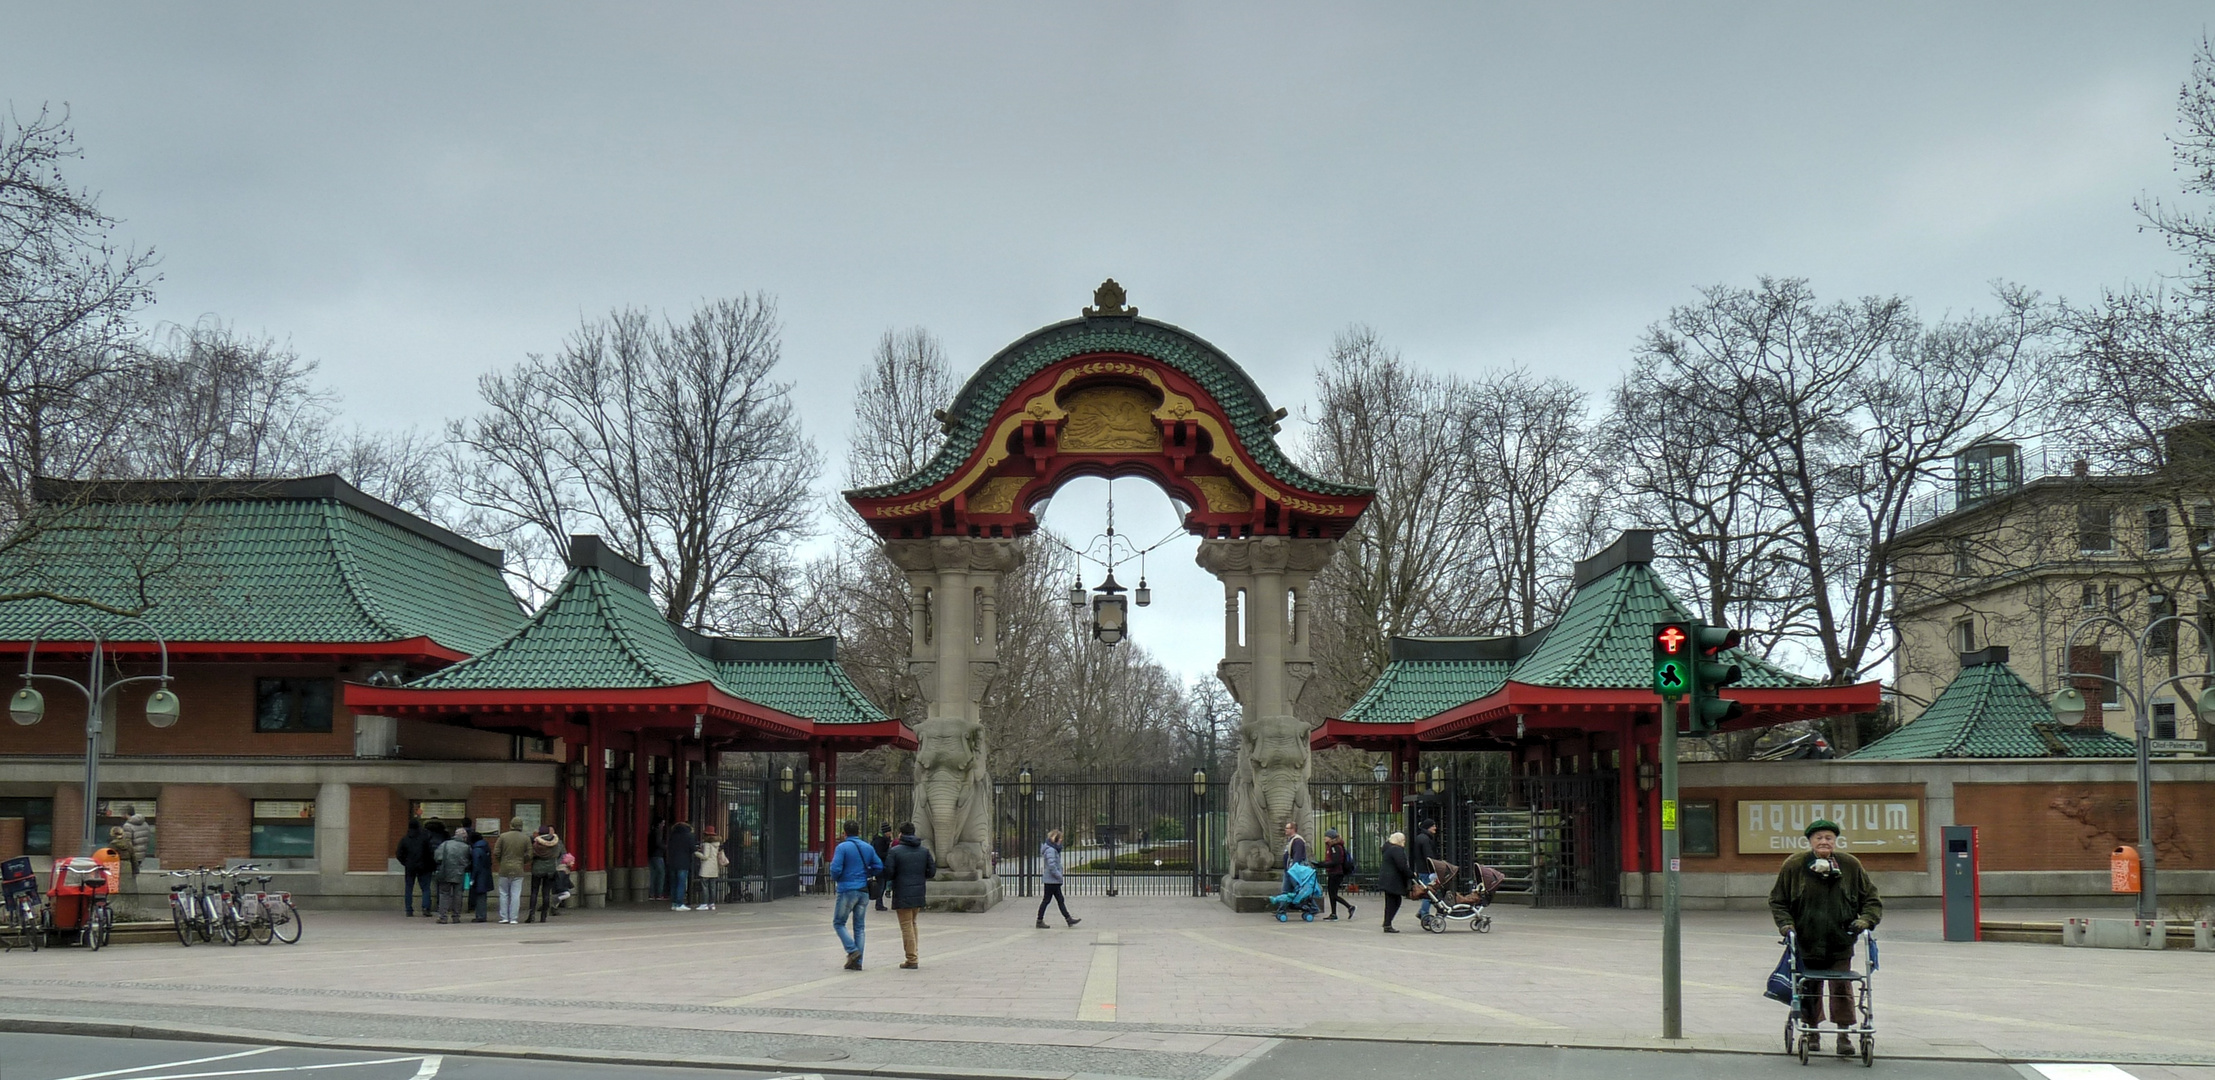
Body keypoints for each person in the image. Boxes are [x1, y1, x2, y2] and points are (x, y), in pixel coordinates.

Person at [1769, 818, 1883, 1058]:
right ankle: (1811, 1033)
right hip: (1806, 942)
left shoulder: (1850, 865)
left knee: (1842, 988)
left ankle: (1844, 1035)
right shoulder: (1794, 865)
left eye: (1828, 838)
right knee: (1809, 988)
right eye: (1819, 838)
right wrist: (1786, 925)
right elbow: (1778, 900)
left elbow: (1871, 899)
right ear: (1810, 841)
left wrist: (1866, 920)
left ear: (1835, 841)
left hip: (1840, 941)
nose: (1824, 841)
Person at [828, 819, 883, 970]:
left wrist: (838, 878)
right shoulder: (867, 847)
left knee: (839, 923)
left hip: (847, 889)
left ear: (844, 833)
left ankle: (852, 951)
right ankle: (857, 963)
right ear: (858, 832)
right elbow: (879, 866)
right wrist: (867, 872)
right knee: (859, 927)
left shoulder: (842, 848)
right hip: (863, 890)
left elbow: (835, 868)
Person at [884, 821, 936, 969]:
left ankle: (912, 958)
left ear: (901, 834)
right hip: (919, 892)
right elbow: (931, 872)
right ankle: (914, 953)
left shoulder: (895, 851)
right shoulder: (924, 851)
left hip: (902, 892)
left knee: (906, 925)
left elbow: (888, 872)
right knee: (912, 923)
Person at [1035, 829, 1080, 929]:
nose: (1061, 841)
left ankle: (1068, 919)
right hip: (1052, 880)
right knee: (1048, 900)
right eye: (1060, 839)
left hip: (1052, 880)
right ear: (1055, 839)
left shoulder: (1052, 849)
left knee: (1059, 900)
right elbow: (1052, 865)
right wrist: (1059, 875)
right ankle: (1039, 920)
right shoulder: (1051, 850)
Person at [493, 818, 531, 925]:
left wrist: (501, 861)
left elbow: (496, 852)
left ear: (511, 825)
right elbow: (529, 854)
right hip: (518, 868)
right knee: (515, 894)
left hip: (504, 868)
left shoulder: (503, 836)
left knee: (503, 893)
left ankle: (504, 917)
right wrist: (523, 861)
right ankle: (513, 918)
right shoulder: (525, 838)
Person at [395, 818, 437, 917]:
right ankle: (425, 908)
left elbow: (399, 854)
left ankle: (409, 909)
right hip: (424, 867)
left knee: (409, 888)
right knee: (426, 888)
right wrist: (431, 865)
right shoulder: (424, 838)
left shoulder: (405, 839)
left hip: (410, 867)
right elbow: (430, 853)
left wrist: (405, 862)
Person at [525, 825, 564, 923]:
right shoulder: (556, 843)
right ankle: (543, 916)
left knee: (534, 892)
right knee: (546, 893)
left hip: (537, 869)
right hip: (550, 870)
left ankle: (532, 915)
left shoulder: (536, 843)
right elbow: (558, 854)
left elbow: (531, 854)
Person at [434, 825, 471, 924]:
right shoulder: (466, 847)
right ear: (464, 837)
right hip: (459, 874)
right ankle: (456, 916)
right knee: (458, 895)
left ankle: (443, 916)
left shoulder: (445, 844)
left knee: (444, 894)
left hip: (445, 872)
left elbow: (437, 857)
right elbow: (468, 861)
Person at [1378, 830, 1412, 933]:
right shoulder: (1397, 850)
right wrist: (1411, 874)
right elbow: (1402, 865)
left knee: (1390, 902)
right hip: (1393, 880)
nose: (1404, 842)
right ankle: (1387, 923)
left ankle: (1387, 922)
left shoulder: (1388, 849)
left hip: (1387, 879)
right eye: (1403, 840)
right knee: (1395, 902)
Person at [1321, 827, 1356, 921]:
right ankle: (1333, 913)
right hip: (1333, 872)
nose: (1324, 838)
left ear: (1331, 838)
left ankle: (1349, 907)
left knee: (1333, 894)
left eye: (1326, 836)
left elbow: (1336, 861)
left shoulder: (1335, 847)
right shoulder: (1331, 846)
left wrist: (1322, 864)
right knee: (1332, 894)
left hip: (1336, 873)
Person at [1411, 820, 1440, 921]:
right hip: (1427, 870)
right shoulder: (1426, 839)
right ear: (1428, 827)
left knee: (1427, 892)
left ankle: (1422, 912)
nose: (1435, 828)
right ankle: (1424, 915)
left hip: (1421, 869)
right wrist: (1435, 867)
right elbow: (1429, 856)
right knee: (1429, 893)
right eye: (1433, 826)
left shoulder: (1420, 838)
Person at [666, 820, 697, 910]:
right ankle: (680, 903)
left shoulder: (672, 836)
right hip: (683, 862)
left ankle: (674, 903)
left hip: (672, 862)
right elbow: (692, 848)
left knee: (674, 883)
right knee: (681, 883)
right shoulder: (689, 836)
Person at [696, 826, 729, 911]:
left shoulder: (707, 844)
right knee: (712, 887)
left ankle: (704, 903)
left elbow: (705, 856)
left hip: (706, 867)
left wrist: (696, 853)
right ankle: (712, 903)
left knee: (705, 886)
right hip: (714, 867)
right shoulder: (717, 844)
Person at [468, 826, 493, 923]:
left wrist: (472, 879)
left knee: (479, 897)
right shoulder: (485, 847)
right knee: (483, 896)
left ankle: (480, 916)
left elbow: (476, 865)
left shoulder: (476, 850)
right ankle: (482, 915)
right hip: (486, 874)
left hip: (479, 876)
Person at [118, 807, 151, 877]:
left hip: (132, 855)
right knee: (135, 873)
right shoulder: (145, 824)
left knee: (128, 876)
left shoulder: (127, 826)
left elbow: (127, 842)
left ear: (126, 814)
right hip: (142, 853)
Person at [870, 823, 894, 911]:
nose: (890, 833)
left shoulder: (882, 839)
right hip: (880, 865)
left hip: (881, 865)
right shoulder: (880, 841)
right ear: (886, 832)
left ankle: (879, 902)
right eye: (889, 832)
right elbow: (880, 853)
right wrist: (889, 854)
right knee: (881, 884)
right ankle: (879, 903)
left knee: (882, 884)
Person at [647, 818, 668, 901]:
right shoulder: (658, 832)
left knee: (653, 875)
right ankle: (659, 894)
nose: (663, 825)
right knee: (661, 874)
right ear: (659, 824)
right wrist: (665, 847)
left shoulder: (651, 832)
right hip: (658, 855)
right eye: (662, 823)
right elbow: (658, 843)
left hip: (651, 855)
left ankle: (651, 894)